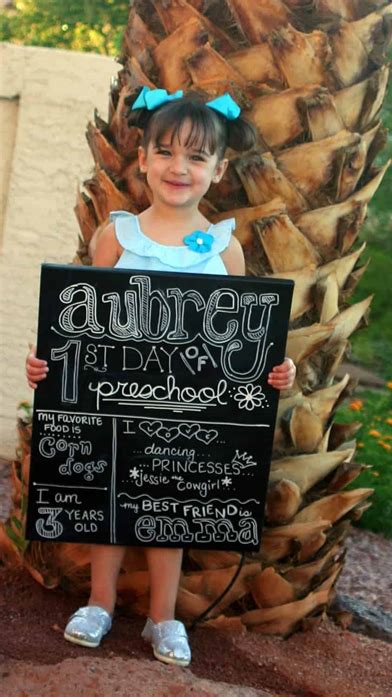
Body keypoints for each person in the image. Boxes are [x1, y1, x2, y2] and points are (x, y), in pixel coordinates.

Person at [26, 87, 296, 667]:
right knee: (112, 500)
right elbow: (79, 330)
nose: (180, 168)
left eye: (197, 157)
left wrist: (276, 370)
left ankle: (162, 618)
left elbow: (243, 345)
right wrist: (45, 366)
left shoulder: (225, 253)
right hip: (116, 405)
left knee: (170, 502)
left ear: (219, 170)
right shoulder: (114, 239)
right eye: (167, 152)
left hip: (189, 415)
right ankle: (98, 603)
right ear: (143, 158)